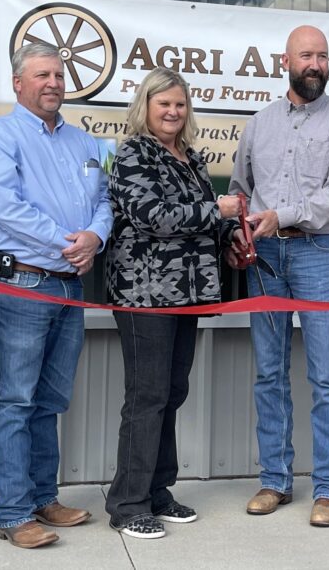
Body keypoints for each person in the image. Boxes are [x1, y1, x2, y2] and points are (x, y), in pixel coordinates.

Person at [0, 42, 112, 549]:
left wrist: (95, 237)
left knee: (48, 400)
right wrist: (67, 243)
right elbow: (3, 206)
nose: (53, 82)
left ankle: (44, 498)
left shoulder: (87, 142)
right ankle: (12, 512)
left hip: (69, 285)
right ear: (18, 83)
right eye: (42, 74)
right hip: (22, 284)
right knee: (15, 400)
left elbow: (106, 200)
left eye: (59, 75)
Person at [229, 25, 329, 528]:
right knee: (269, 372)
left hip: (317, 253)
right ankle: (275, 481)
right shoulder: (259, 123)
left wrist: (280, 215)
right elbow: (241, 190)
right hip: (265, 258)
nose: (316, 64)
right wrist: (240, 233)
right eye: (307, 55)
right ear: (284, 61)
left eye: (323, 57)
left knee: (326, 375)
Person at [103, 67, 240, 539]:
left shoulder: (190, 157)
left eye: (180, 104)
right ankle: (127, 504)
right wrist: (217, 210)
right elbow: (153, 217)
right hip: (144, 292)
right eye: (163, 103)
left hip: (188, 291)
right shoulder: (132, 154)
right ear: (145, 106)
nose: (173, 112)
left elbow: (201, 220)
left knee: (171, 392)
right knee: (147, 396)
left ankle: (158, 491)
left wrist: (232, 233)